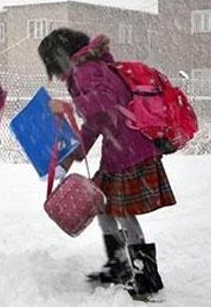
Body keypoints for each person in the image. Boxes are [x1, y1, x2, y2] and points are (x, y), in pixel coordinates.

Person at [38, 29, 175, 297]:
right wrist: (77, 152)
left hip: (128, 150)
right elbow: (97, 120)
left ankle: (144, 275)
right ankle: (119, 265)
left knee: (123, 212)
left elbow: (104, 101)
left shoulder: (85, 71)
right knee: (104, 206)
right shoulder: (91, 67)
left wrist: (68, 105)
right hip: (122, 147)